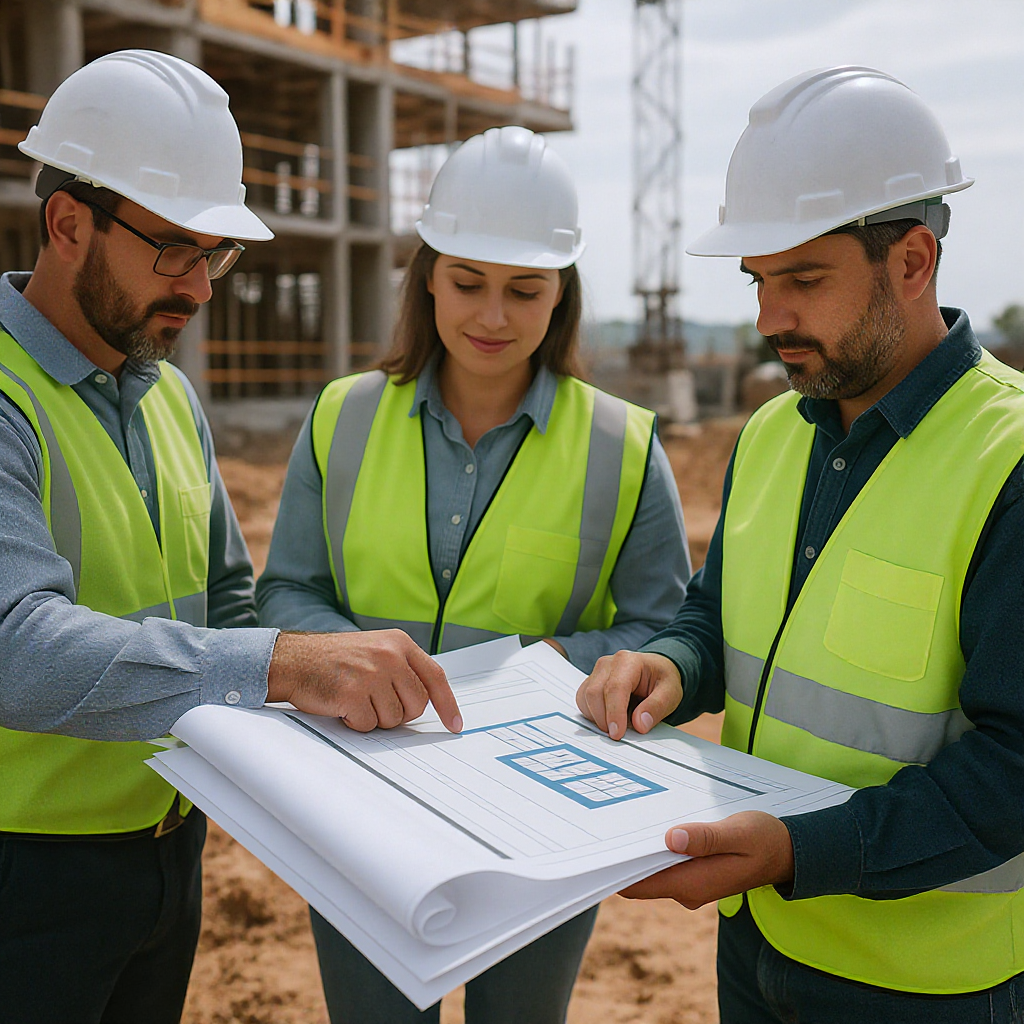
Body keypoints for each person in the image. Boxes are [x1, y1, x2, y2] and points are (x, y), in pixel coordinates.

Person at [0, 50, 460, 1024]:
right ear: (69, 223)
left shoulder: (166, 392)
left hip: (169, 850)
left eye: (214, 255)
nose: (200, 289)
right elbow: (14, 647)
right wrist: (289, 664)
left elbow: (226, 603)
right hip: (25, 874)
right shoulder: (6, 397)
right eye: (174, 250)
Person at [576, 66, 1024, 1023]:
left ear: (912, 262)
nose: (768, 318)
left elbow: (1016, 768)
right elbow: (719, 617)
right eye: (759, 281)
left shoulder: (1010, 461)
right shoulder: (776, 433)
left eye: (804, 280)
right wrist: (670, 665)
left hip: (929, 986)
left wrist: (797, 851)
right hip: (762, 940)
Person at [257, 124, 691, 1023]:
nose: (492, 316)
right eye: (467, 283)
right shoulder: (341, 418)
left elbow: (662, 631)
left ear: (560, 292)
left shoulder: (623, 446)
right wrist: (359, 663)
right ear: (426, 275)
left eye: (524, 290)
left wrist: (543, 664)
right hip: (360, 793)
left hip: (540, 810)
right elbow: (286, 593)